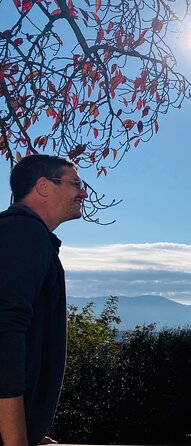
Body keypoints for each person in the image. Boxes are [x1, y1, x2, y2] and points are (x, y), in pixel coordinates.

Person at [0, 155, 88, 446]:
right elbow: (5, 336)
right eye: (76, 183)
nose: (84, 192)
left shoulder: (23, 235)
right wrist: (16, 439)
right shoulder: (22, 233)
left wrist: (32, 434)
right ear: (43, 186)